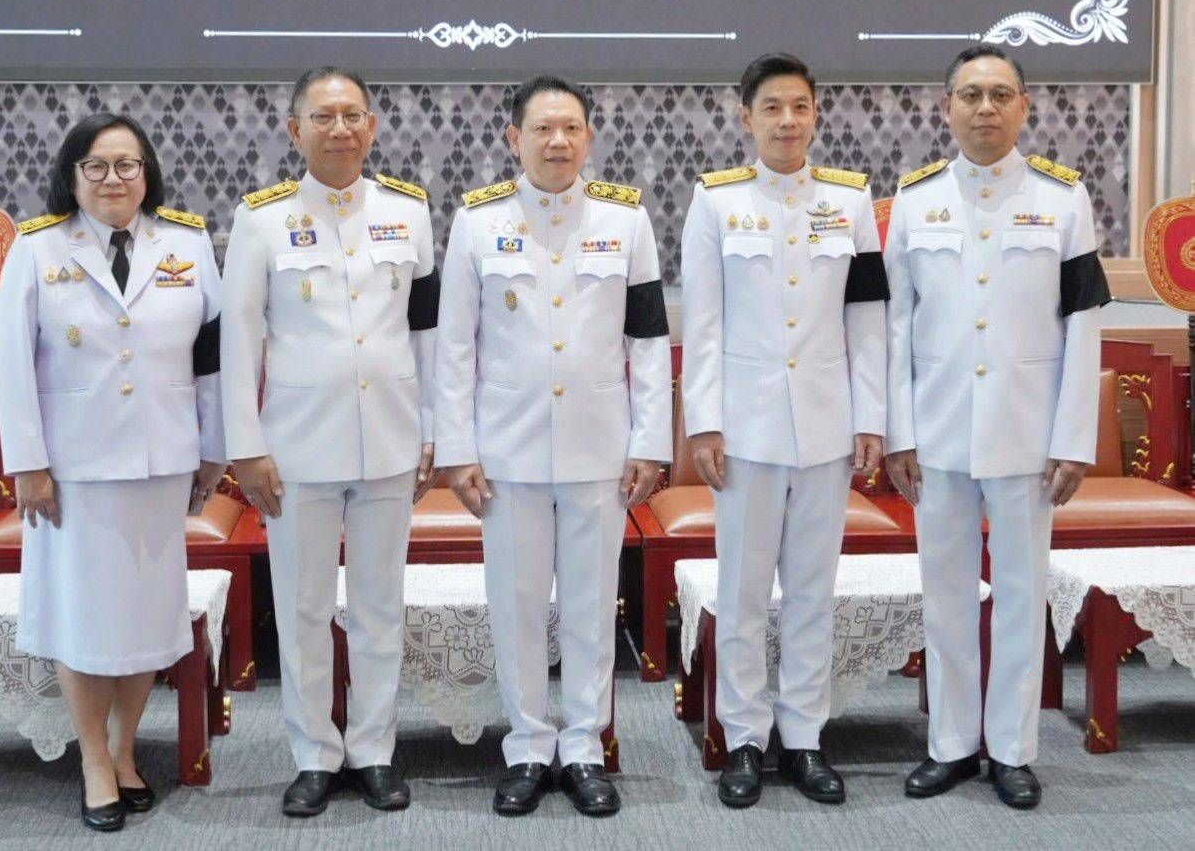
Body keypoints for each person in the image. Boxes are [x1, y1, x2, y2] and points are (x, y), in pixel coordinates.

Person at [435, 75, 671, 817]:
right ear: (514, 138)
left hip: (600, 448)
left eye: (571, 128)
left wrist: (650, 441)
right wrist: (458, 450)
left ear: (588, 136)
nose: (558, 141)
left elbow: (648, 341)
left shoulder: (625, 220)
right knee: (515, 603)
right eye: (541, 128)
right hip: (506, 451)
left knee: (591, 604)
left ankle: (584, 746)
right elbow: (454, 346)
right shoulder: (477, 222)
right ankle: (528, 748)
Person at [884, 43, 1110, 809]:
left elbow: (1082, 323)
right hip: (938, 431)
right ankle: (950, 744)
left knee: (1020, 592)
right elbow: (895, 324)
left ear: (1023, 106)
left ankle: (1011, 749)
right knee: (944, 593)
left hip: (1026, 433)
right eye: (970, 94)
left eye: (1000, 94)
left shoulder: (1063, 198)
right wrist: (898, 431)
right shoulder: (914, 198)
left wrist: (1072, 437)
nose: (985, 107)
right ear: (945, 106)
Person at [0, 111, 225, 832]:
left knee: (145, 615)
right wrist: (28, 463)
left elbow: (212, 357)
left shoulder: (187, 242)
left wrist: (214, 445)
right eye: (96, 165)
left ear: (146, 172)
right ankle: (93, 758)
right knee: (84, 617)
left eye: (127, 164)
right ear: (73, 174)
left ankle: (125, 750)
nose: (113, 178)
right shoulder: (36, 247)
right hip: (74, 469)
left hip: (162, 460)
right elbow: (9, 360)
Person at [220, 67, 438, 817]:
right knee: (305, 607)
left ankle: (373, 750)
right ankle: (314, 753)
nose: (339, 129)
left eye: (352, 115)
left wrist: (433, 429)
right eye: (323, 117)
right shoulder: (261, 219)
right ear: (295, 129)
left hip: (390, 440)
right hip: (296, 449)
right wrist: (245, 445)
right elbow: (239, 339)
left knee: (380, 607)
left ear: (372, 125)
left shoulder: (408, 210)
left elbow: (426, 332)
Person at [680, 53, 888, 808]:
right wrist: (704, 422)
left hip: (828, 425)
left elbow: (867, 319)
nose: (787, 120)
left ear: (815, 113)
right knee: (741, 589)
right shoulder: (715, 200)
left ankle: (803, 736)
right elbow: (702, 323)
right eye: (771, 107)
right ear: (746, 117)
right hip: (745, 428)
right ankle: (743, 736)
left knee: (811, 589)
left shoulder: (851, 199)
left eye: (799, 106)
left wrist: (871, 417)